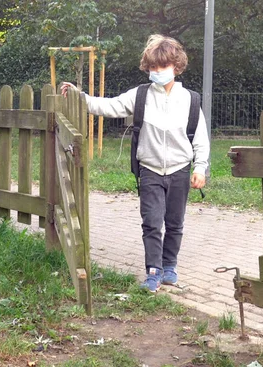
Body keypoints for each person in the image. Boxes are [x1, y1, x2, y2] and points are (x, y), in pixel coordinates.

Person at [61, 34, 210, 293]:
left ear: (176, 66)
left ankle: (169, 267)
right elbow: (109, 106)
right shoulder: (140, 96)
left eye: (161, 67)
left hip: (180, 171)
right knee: (152, 222)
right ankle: (153, 271)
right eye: (152, 67)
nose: (156, 72)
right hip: (149, 170)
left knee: (175, 223)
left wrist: (200, 167)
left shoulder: (191, 100)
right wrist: (80, 97)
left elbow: (200, 138)